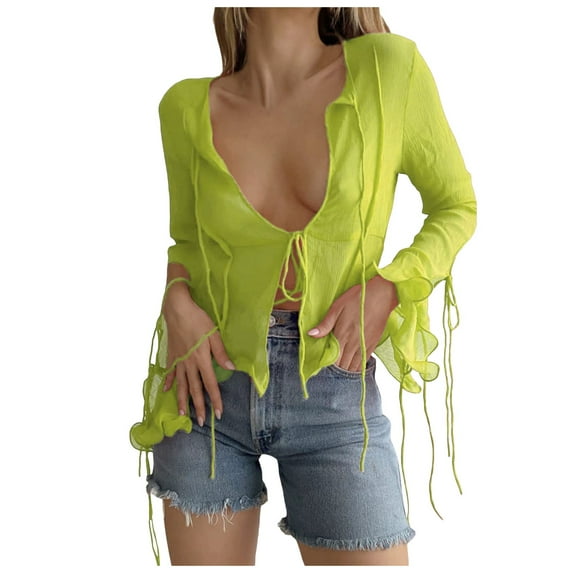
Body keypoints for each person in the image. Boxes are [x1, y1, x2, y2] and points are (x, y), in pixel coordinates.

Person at [129, 7, 478, 566]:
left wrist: (390, 285)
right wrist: (176, 300)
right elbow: (188, 246)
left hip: (335, 388)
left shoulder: (389, 68)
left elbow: (455, 207)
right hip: (206, 389)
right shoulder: (184, 106)